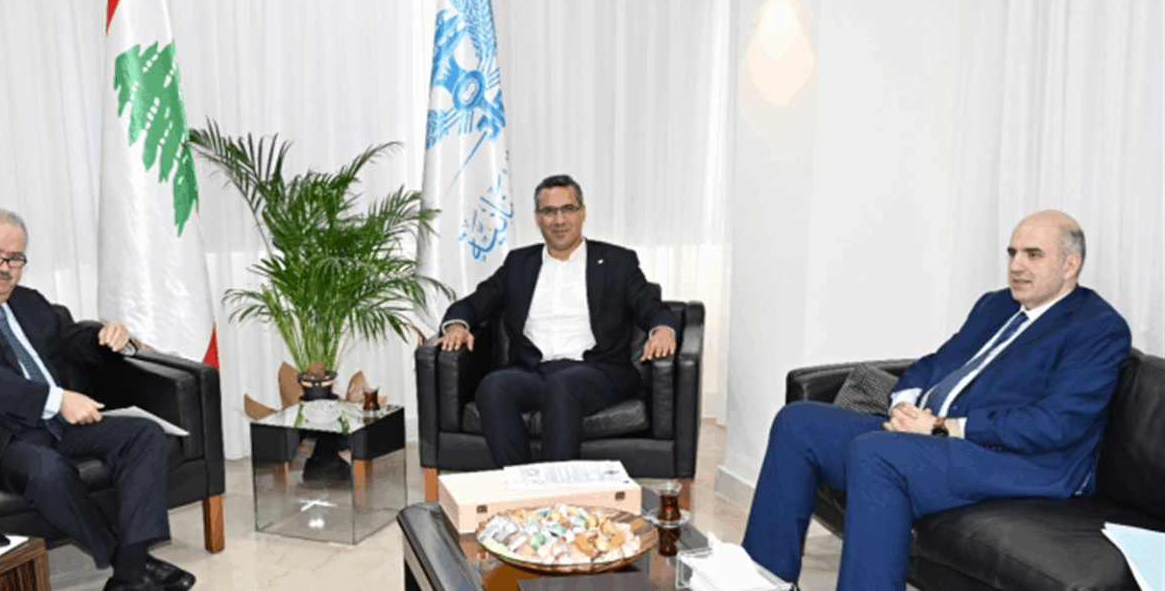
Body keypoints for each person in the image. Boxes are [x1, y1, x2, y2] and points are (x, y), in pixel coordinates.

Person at [741, 210, 1131, 591]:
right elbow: (936, 363)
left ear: (1070, 264)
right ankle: (765, 580)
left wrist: (944, 427)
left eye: (1033, 254)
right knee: (798, 422)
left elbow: (1056, 424)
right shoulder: (996, 305)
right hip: (935, 436)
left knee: (878, 453)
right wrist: (904, 402)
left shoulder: (1098, 327)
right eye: (1012, 253)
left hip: (1019, 460)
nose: (1016, 266)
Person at [0, 207, 196, 591]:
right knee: (47, 470)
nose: (4, 268)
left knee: (145, 434)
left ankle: (130, 572)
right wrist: (56, 400)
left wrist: (107, 337)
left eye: (15, 258)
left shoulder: (29, 301)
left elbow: (69, 340)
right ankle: (132, 566)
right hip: (1, 436)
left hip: (60, 424)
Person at [434, 175, 681, 466]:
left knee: (561, 385)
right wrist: (457, 325)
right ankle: (520, 483)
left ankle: (557, 488)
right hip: (533, 370)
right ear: (537, 218)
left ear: (582, 213)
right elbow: (476, 302)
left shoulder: (617, 261)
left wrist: (663, 330)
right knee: (493, 386)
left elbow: (652, 307)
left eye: (568, 209)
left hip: (597, 370)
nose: (559, 220)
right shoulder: (518, 264)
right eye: (549, 211)